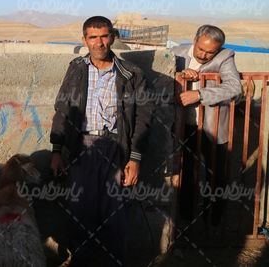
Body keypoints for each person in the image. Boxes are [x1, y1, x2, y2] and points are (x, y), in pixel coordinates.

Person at [50, 16, 151, 265]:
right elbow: (63, 108)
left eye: (104, 36)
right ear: (85, 40)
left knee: (114, 214)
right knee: (79, 211)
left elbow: (143, 118)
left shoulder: (131, 74)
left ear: (113, 37)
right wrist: (56, 150)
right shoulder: (76, 68)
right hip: (81, 148)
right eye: (93, 37)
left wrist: (135, 158)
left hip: (115, 148)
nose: (99, 43)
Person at [173, 25, 241, 227]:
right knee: (186, 172)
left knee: (217, 175)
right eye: (200, 49)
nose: (203, 55)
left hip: (214, 128)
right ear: (195, 40)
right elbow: (162, 77)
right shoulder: (176, 52)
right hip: (184, 126)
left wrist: (200, 94)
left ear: (219, 49)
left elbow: (234, 87)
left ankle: (213, 221)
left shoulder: (225, 57)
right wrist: (179, 74)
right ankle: (185, 219)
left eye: (210, 52)